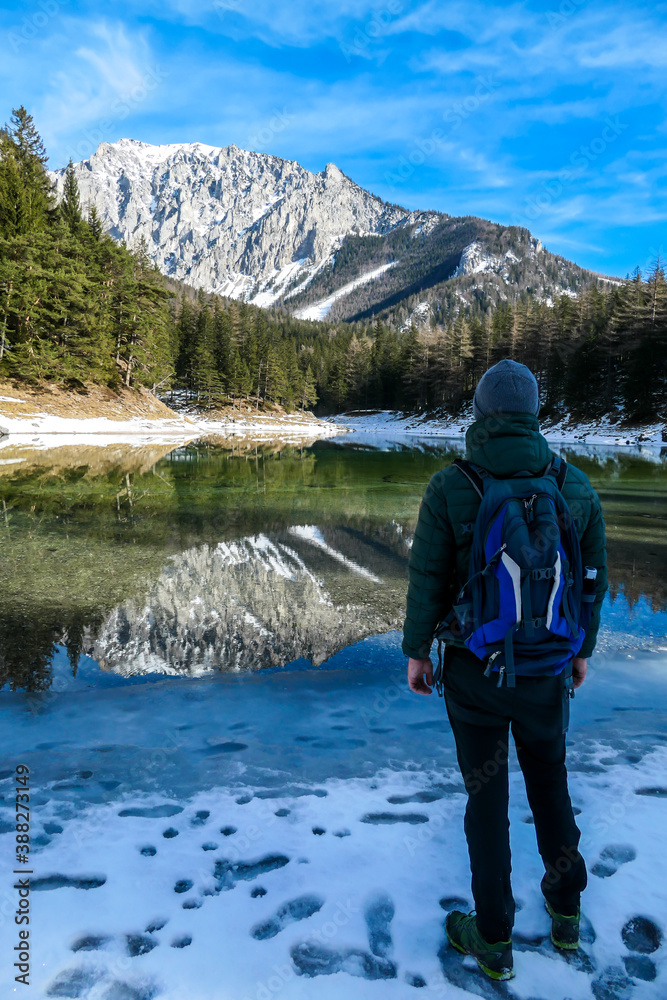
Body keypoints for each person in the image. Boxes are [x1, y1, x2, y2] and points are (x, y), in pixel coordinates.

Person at [402, 359, 608, 982]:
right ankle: (566, 910)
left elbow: (428, 582)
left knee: (485, 796)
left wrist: (417, 652)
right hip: (546, 672)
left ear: (483, 412)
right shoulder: (574, 485)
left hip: (475, 673)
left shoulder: (451, 485)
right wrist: (581, 652)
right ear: (535, 413)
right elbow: (592, 583)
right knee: (551, 783)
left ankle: (492, 938)